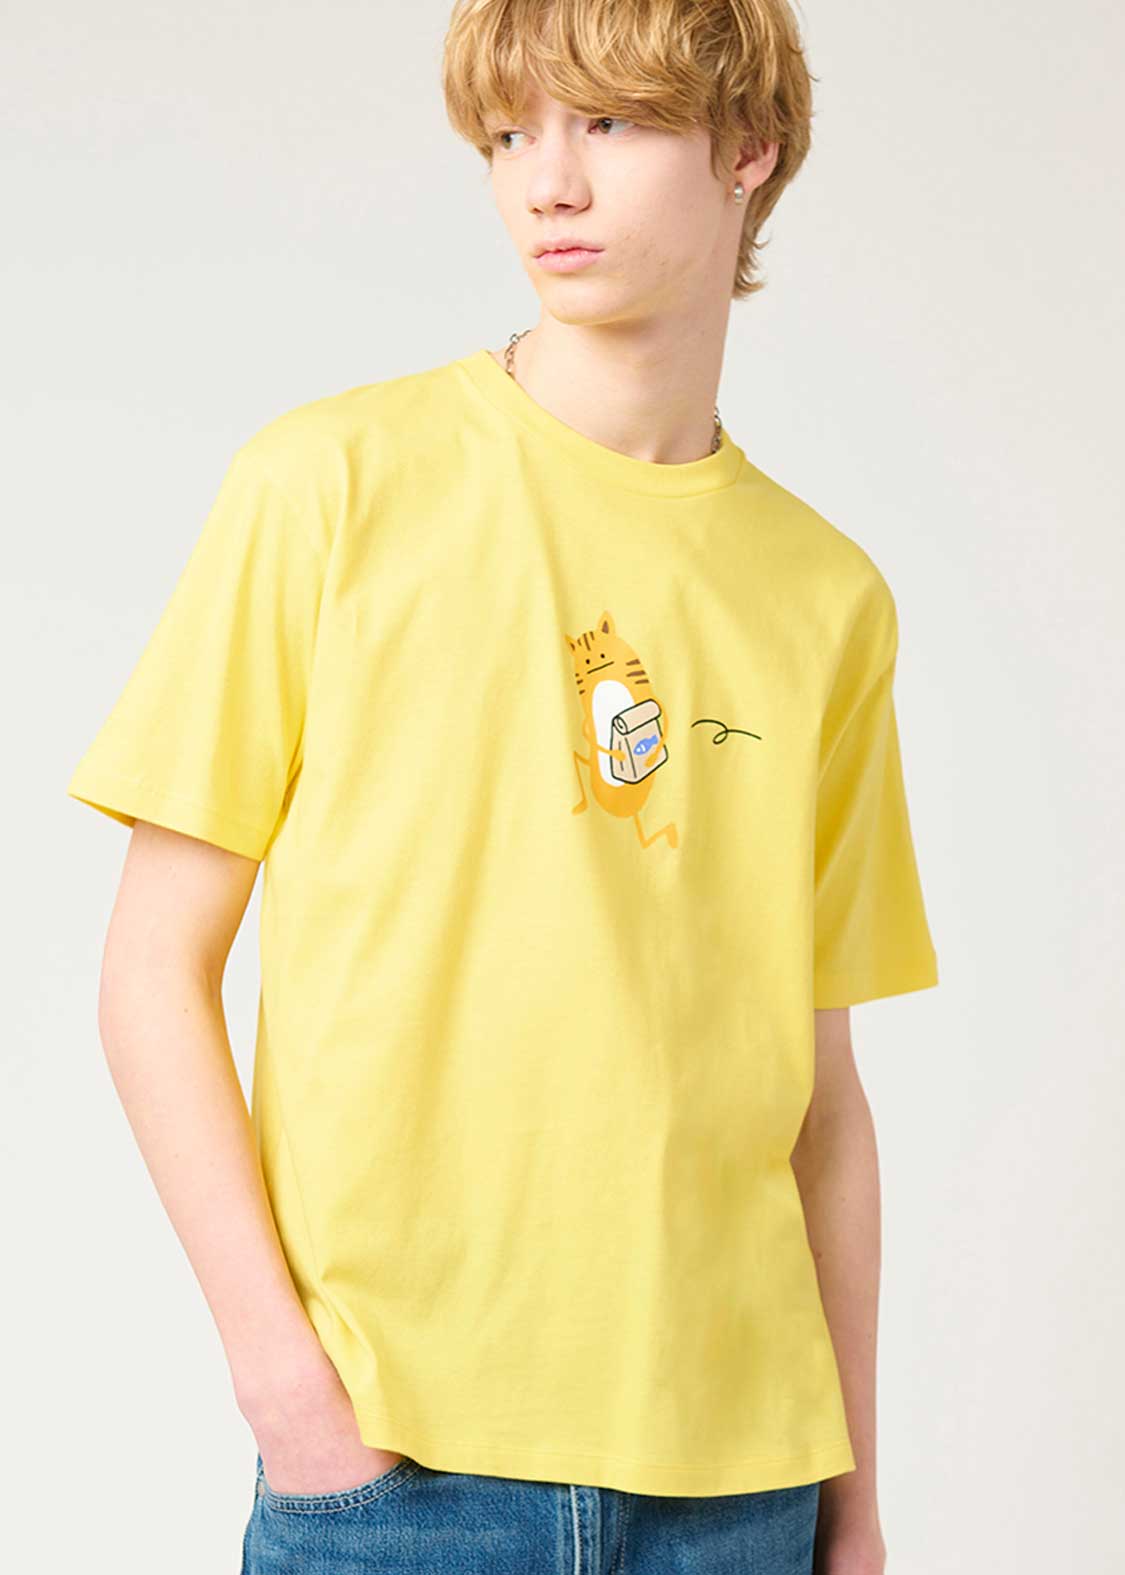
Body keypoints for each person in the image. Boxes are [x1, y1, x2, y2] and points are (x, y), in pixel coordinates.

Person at [66, 1, 939, 1571]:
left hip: (741, 1490)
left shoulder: (825, 597)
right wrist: (288, 1393)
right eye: (510, 133)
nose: (547, 182)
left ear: (748, 149)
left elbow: (823, 1106)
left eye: (610, 122)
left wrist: (856, 1505)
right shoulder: (329, 483)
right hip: (399, 1473)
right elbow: (150, 972)